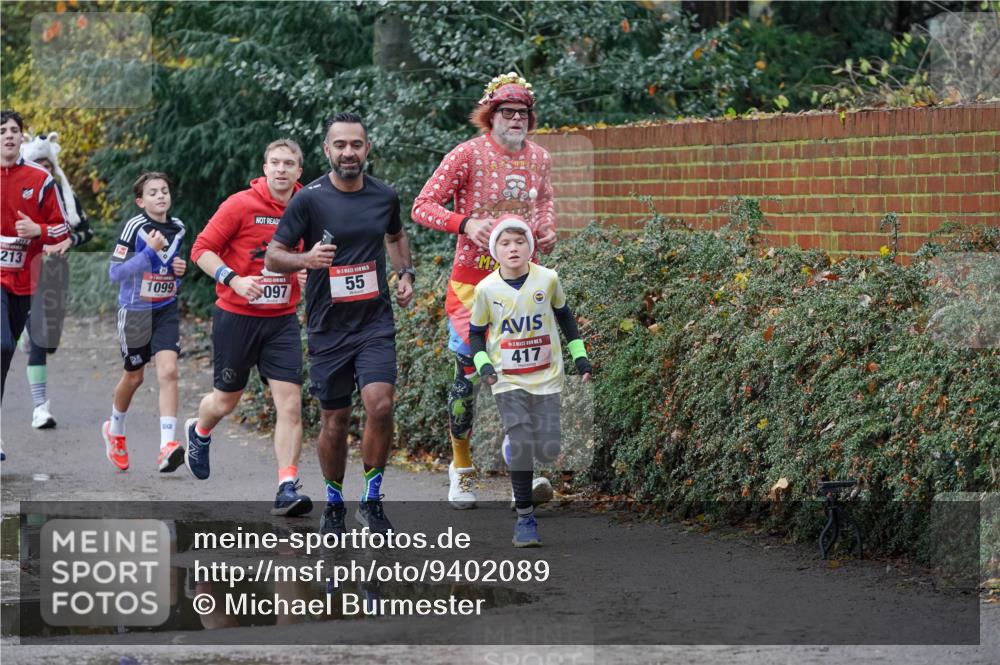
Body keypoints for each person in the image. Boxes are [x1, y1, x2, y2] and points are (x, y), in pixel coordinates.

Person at [411, 71, 558, 509]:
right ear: (489, 117)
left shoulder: (540, 158)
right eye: (507, 112)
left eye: (523, 113)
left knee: (525, 381)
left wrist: (547, 228)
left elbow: (545, 201)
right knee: (469, 378)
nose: (516, 119)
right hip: (472, 286)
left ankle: (523, 472)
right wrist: (465, 223)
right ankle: (462, 470)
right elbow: (422, 206)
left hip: (522, 285)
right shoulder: (466, 155)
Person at [266, 112, 414, 537]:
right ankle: (334, 502)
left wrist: (406, 275)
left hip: (374, 322)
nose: (348, 152)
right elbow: (274, 255)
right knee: (335, 420)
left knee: (380, 404)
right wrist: (306, 259)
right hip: (328, 327)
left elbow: (396, 235)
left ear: (368, 149)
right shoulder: (308, 199)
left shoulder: (384, 195)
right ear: (327, 150)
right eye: (340, 145)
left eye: (356, 144)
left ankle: (371, 500)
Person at [187, 139, 313, 516]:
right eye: (274, 162)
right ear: (264, 167)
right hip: (237, 317)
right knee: (225, 401)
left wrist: (309, 273)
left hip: (281, 321)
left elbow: (317, 252)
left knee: (290, 404)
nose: (281, 169)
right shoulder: (240, 204)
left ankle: (286, 487)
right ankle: (200, 430)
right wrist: (233, 279)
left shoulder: (307, 206)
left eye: (288, 164)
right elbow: (200, 249)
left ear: (298, 171)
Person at [469, 216, 592, 546]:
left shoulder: (548, 279)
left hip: (547, 377)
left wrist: (579, 356)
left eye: (519, 242)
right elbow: (476, 335)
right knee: (523, 440)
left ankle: (515, 450)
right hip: (507, 380)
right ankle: (525, 520)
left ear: (530, 247)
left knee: (549, 450)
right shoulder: (485, 289)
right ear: (495, 250)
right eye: (505, 243)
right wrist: (484, 367)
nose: (513, 248)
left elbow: (565, 316)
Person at [102, 171, 187, 472]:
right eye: (153, 193)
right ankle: (115, 430)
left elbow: (171, 267)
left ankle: (167, 446)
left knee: (169, 371)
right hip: (135, 311)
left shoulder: (178, 228)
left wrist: (179, 268)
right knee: (134, 377)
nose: (161, 196)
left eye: (164, 190)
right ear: (141, 201)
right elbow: (115, 272)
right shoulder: (134, 227)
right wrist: (148, 252)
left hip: (165, 308)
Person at [0, 110, 70, 461]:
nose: (8, 136)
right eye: (2, 131)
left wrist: (38, 231)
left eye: (14, 130)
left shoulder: (40, 179)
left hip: (26, 281)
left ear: (21, 138)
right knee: (0, 343)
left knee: (7, 350)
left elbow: (64, 231)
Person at [19, 132, 94, 429]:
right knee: (38, 339)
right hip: (23, 273)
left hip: (55, 273)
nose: (44, 169)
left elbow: (87, 231)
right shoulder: (20, 192)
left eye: (47, 164)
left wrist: (68, 240)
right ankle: (41, 408)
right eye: (37, 163)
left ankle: (30, 335)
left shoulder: (65, 195)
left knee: (50, 341)